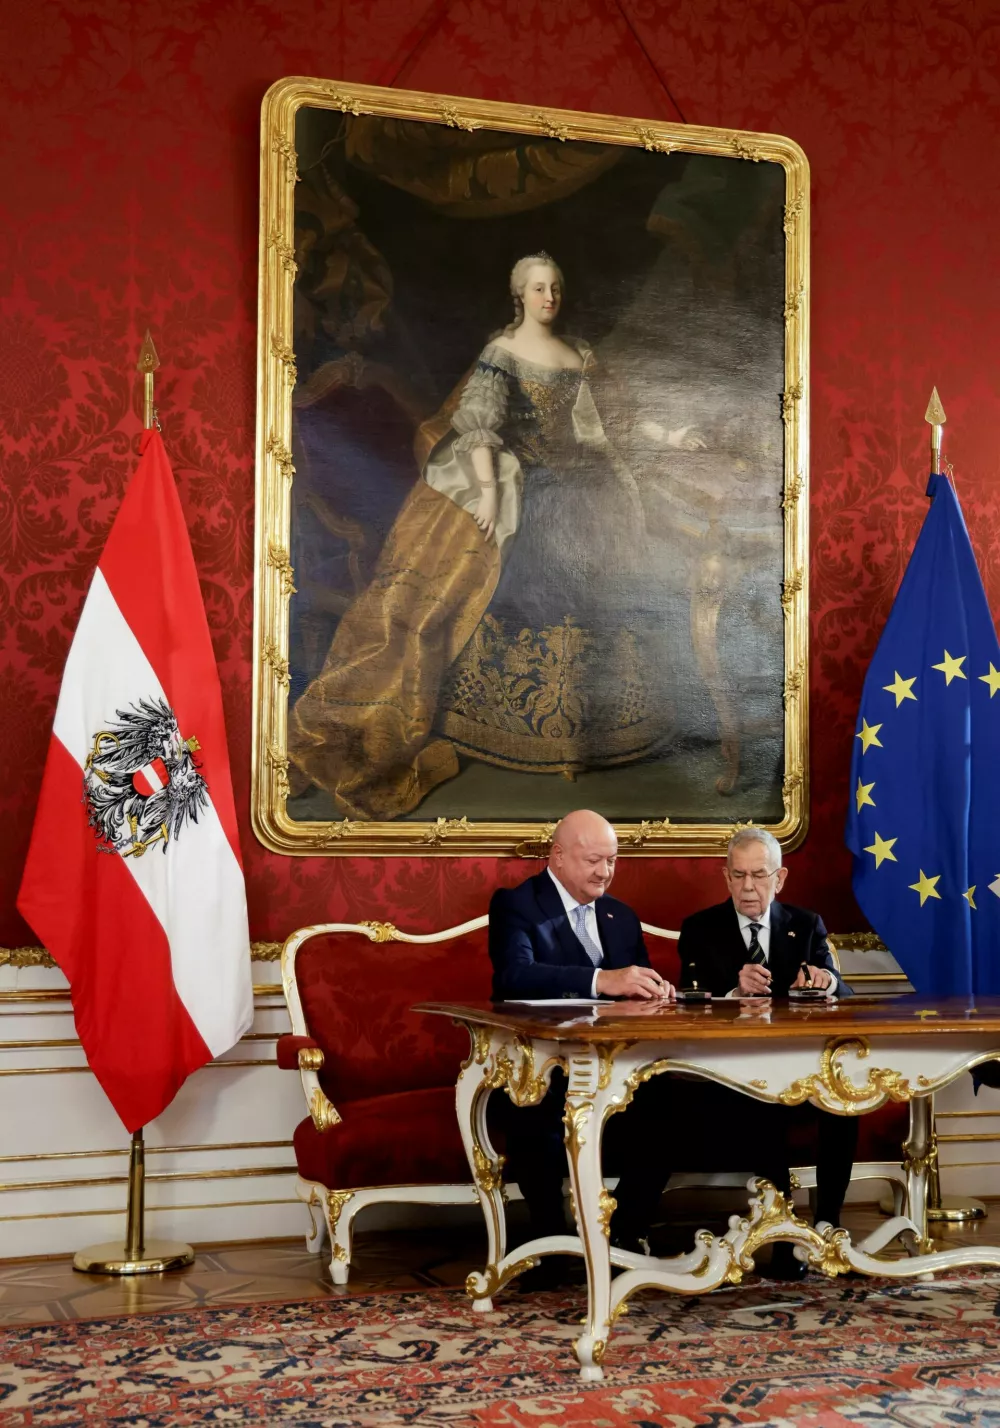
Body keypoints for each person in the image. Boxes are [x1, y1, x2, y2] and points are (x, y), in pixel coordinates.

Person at [289, 253, 689, 819]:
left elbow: (618, 418)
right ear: (519, 295)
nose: (549, 297)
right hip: (524, 491)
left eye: (555, 287)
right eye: (538, 288)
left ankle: (593, 727)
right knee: (510, 582)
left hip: (578, 492)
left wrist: (671, 434)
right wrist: (491, 494)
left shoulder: (579, 354)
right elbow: (478, 425)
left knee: (600, 584)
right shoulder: (502, 354)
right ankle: (504, 723)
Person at [488, 809, 675, 1286]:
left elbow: (639, 985)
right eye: (594, 860)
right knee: (533, 1113)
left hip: (621, 1069)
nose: (604, 872)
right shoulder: (517, 905)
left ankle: (627, 1240)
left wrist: (656, 990)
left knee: (673, 1104)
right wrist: (601, 980)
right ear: (559, 855)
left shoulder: (621, 916)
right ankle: (550, 1244)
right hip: (544, 1070)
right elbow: (513, 978)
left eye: (611, 861)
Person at [676, 826, 859, 1277]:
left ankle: (827, 1227)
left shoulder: (806, 923)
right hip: (731, 1074)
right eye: (737, 876)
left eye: (759, 876)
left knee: (847, 1103)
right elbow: (687, 1006)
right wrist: (733, 991)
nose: (748, 887)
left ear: (780, 879)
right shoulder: (700, 929)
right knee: (763, 1102)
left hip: (802, 1066)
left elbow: (845, 990)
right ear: (725, 877)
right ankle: (779, 1235)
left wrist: (825, 981)